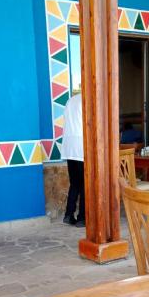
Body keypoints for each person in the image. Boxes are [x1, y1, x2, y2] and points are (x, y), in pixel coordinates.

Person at [60, 92, 85, 227]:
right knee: (85, 184)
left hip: (69, 146)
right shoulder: (86, 99)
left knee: (75, 183)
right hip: (81, 146)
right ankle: (82, 218)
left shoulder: (71, 100)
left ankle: (69, 215)